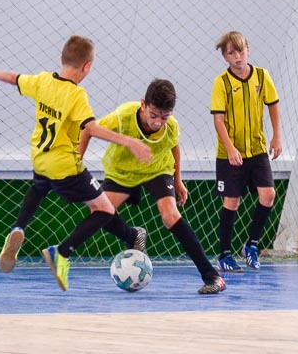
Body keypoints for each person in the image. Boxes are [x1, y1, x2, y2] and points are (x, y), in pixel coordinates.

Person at [0, 35, 152, 291]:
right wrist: (130, 142)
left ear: (62, 59)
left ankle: (18, 227)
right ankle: (63, 252)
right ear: (87, 66)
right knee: (104, 211)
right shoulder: (76, 95)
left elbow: (14, 78)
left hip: (39, 156)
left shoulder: (43, 80)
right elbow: (92, 128)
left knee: (39, 187)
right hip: (65, 165)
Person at [81, 79, 226, 294]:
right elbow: (88, 129)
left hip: (157, 170)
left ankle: (212, 276)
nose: (158, 122)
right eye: (154, 116)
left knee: (170, 216)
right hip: (122, 172)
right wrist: (77, 161)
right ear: (143, 104)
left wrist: (177, 180)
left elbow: (174, 146)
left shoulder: (171, 127)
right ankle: (132, 236)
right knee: (99, 212)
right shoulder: (122, 116)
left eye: (165, 117)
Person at [211, 31, 281, 272]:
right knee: (232, 200)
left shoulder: (262, 76)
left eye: (240, 51)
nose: (237, 56)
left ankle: (251, 244)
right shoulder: (222, 82)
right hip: (230, 152)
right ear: (225, 57)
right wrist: (230, 148)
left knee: (268, 194)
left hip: (257, 148)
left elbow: (273, 105)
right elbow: (218, 120)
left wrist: (276, 136)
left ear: (248, 50)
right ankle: (224, 254)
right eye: (231, 53)